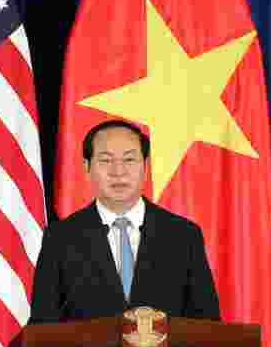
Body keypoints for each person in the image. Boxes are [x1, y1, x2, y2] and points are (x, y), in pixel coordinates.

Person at [28, 119, 221, 323]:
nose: (118, 172)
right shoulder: (60, 238)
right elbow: (42, 326)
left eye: (129, 160)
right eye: (105, 160)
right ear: (87, 166)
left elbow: (207, 324)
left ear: (145, 166)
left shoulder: (183, 236)